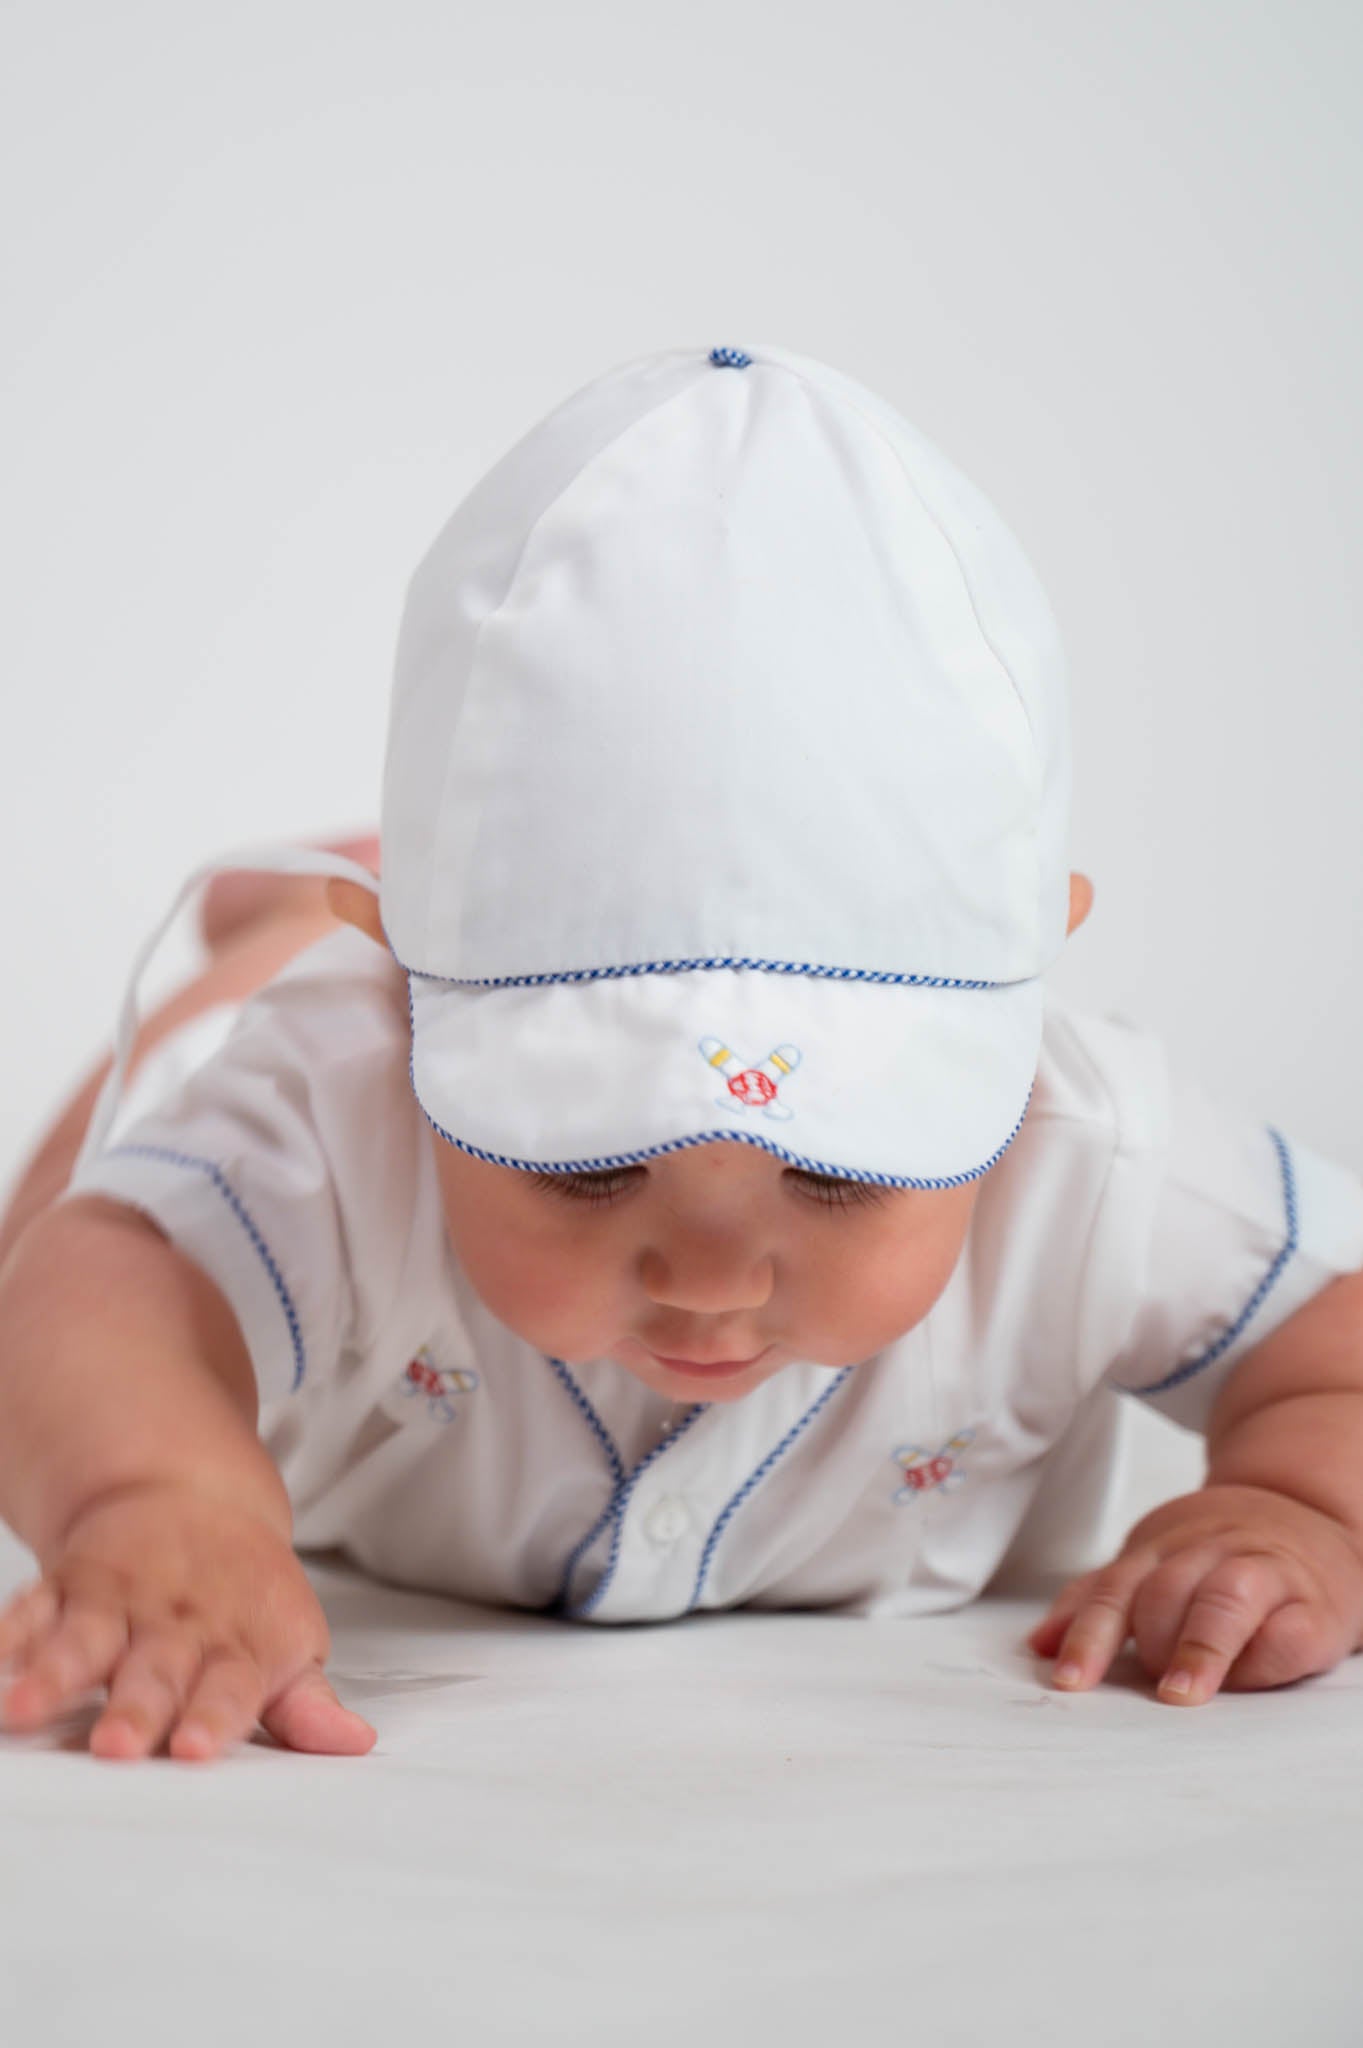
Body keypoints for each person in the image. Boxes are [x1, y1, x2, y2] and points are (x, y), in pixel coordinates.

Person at [2, 342, 1362, 1768]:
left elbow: (1340, 1336)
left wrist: (1307, 1506)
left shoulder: (1088, 1145)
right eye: (589, 1157)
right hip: (315, 995)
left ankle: (326, 902)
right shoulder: (351, 1089)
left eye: (839, 1167)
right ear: (420, 998)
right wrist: (160, 1495)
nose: (710, 1277)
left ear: (1018, 1010)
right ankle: (287, 923)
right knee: (78, 1189)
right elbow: (103, 1281)